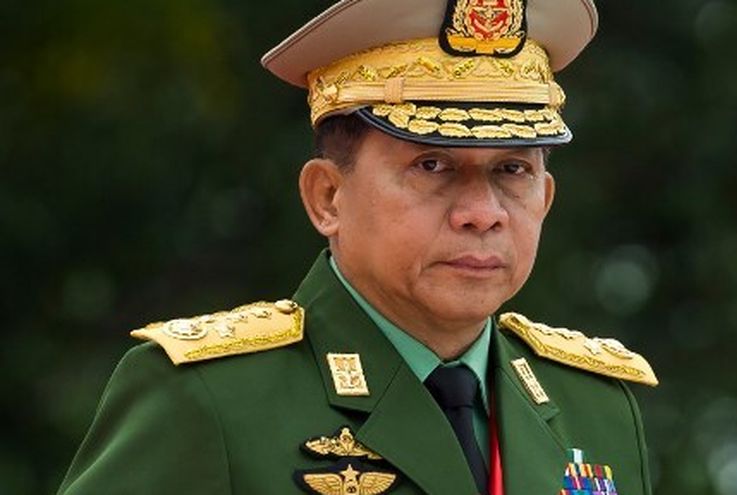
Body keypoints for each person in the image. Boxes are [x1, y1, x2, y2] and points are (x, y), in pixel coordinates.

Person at [58, 0, 658, 494]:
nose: (483, 213)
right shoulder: (209, 401)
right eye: (432, 165)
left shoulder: (597, 408)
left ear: (545, 199)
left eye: (511, 170)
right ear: (327, 197)